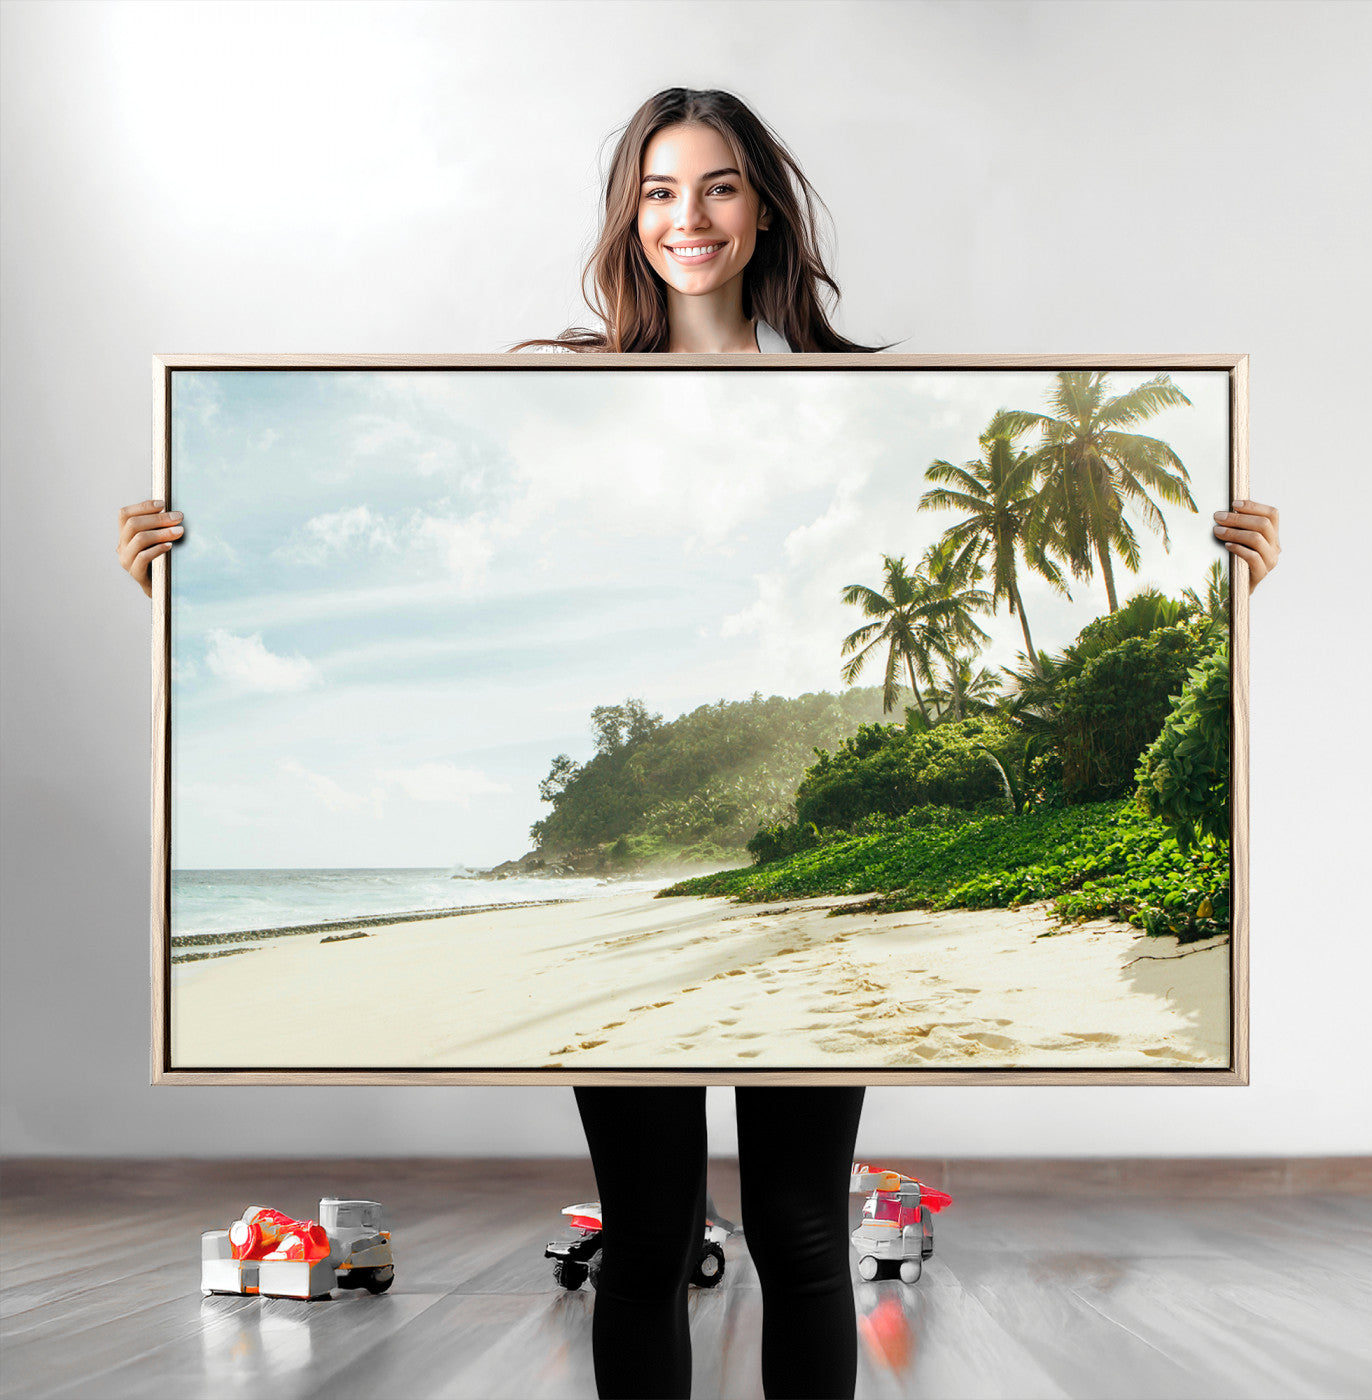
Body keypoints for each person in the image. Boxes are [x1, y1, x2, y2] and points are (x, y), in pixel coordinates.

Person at [117, 87, 1282, 1399]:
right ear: (631, 215)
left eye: (719, 185)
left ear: (763, 207)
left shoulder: (853, 401)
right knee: (649, 1239)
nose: (691, 217)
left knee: (801, 1231)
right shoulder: (563, 396)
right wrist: (181, 568)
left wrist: (1230, 574)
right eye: (660, 191)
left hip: (800, 945)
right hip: (692, 939)